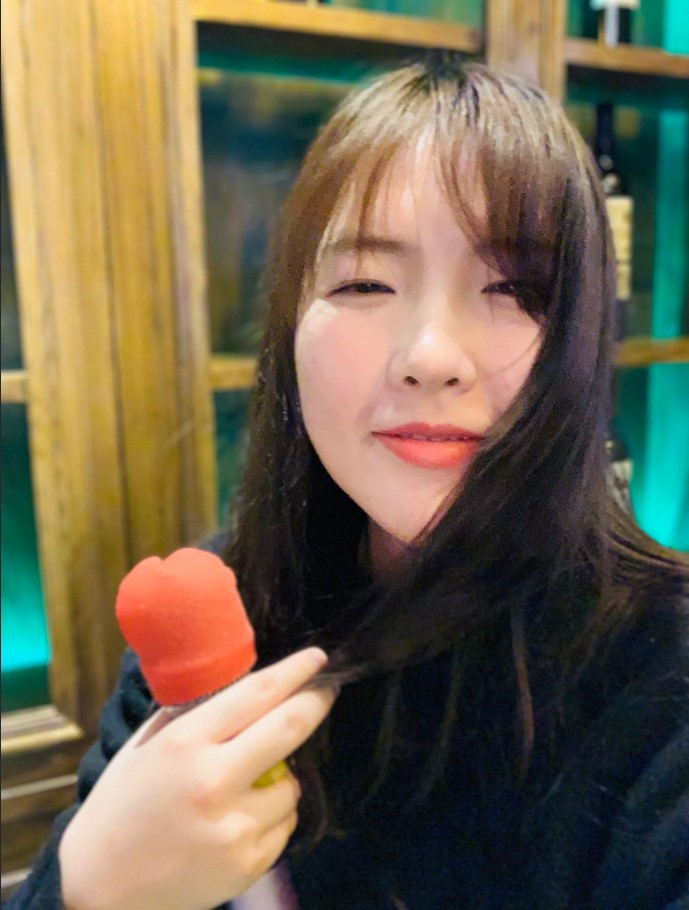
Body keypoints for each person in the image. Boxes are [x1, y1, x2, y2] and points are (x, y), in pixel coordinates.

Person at [6, 56, 688, 910]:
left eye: (512, 287)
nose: (429, 358)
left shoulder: (664, 676)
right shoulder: (218, 619)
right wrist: (92, 883)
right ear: (289, 326)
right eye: (365, 283)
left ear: (583, 340)